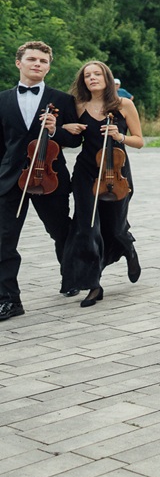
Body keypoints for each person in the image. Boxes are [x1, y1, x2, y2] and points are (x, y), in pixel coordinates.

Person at [0, 41, 82, 320]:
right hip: (10, 180)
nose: (38, 64)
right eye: (32, 59)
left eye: (43, 61)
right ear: (18, 63)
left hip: (50, 177)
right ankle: (9, 300)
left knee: (60, 230)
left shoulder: (62, 100)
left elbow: (75, 138)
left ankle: (71, 277)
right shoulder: (2, 100)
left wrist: (56, 130)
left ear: (49, 66)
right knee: (4, 239)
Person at [60, 60, 143, 308]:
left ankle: (128, 249)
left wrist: (121, 136)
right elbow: (68, 140)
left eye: (97, 74)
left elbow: (139, 141)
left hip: (116, 171)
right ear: (83, 80)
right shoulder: (77, 105)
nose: (92, 78)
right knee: (87, 227)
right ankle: (93, 285)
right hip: (86, 171)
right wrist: (65, 126)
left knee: (115, 227)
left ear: (107, 77)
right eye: (88, 75)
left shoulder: (123, 104)